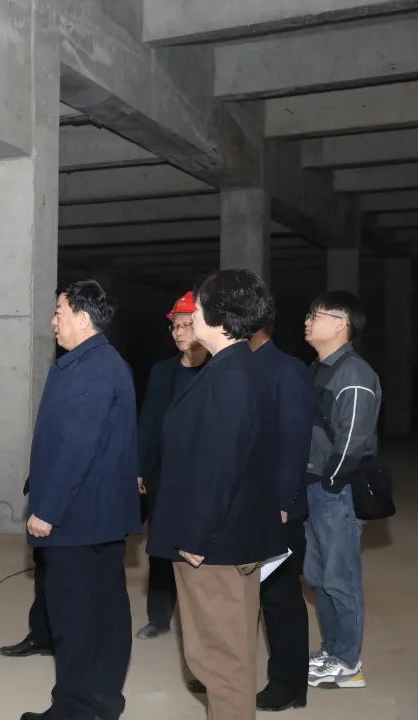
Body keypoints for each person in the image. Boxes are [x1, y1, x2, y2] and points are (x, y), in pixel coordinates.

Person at [149, 269, 283, 720]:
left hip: (215, 545)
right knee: (230, 654)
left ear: (220, 317)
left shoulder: (229, 376)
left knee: (220, 661)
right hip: (232, 539)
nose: (193, 313)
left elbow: (220, 465)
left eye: (200, 305)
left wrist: (197, 536)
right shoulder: (238, 366)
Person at [19, 280, 139, 720]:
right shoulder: (103, 362)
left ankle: (73, 710)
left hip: (77, 517)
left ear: (83, 319)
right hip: (99, 516)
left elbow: (77, 447)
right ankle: (101, 702)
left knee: (75, 619)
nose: (53, 321)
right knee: (104, 611)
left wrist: (46, 510)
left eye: (59, 312)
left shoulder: (91, 369)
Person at [302, 291, 380, 690]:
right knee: (317, 575)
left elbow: (352, 438)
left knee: (340, 577)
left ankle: (348, 663)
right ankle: (332, 650)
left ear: (340, 324)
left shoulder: (355, 373)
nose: (307, 320)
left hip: (337, 490)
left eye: (316, 315)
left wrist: (331, 482)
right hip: (314, 486)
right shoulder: (319, 368)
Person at [249, 311, 315, 711]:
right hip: (244, 505)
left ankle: (288, 686)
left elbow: (295, 441)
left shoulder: (286, 371)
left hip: (276, 509)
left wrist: (284, 502)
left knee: (279, 597)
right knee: (244, 598)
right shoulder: (235, 367)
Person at [135, 291, 208, 640]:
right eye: (175, 326)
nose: (179, 333)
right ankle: (159, 617)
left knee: (198, 550)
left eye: (186, 325)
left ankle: (200, 622)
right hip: (163, 476)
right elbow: (148, 423)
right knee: (161, 546)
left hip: (202, 477)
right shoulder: (162, 372)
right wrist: (139, 467)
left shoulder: (218, 371)